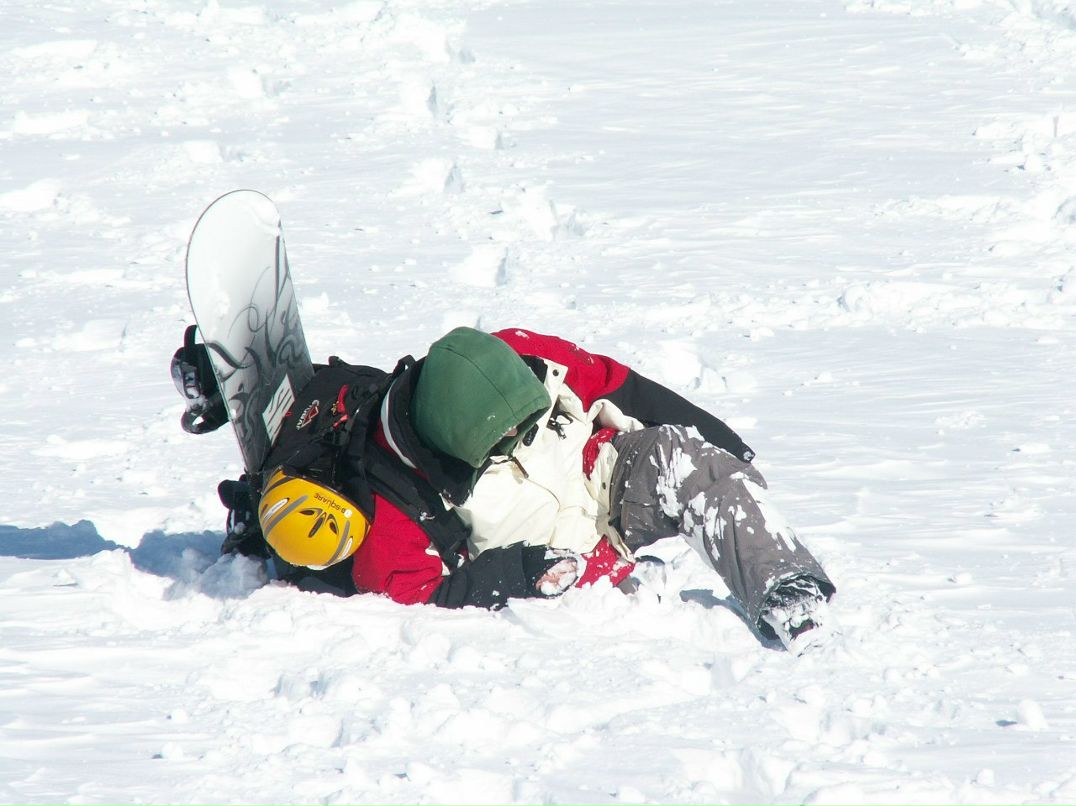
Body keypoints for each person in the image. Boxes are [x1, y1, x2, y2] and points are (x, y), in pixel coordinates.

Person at [176, 326, 836, 653]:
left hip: (605, 474)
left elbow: (615, 383)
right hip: (572, 547)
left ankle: (785, 586)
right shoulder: (392, 515)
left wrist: (722, 446)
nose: (522, 436)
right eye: (505, 440)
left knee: (682, 459)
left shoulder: (513, 352)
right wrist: (518, 572)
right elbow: (421, 592)